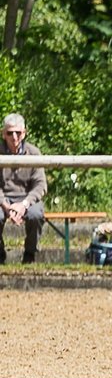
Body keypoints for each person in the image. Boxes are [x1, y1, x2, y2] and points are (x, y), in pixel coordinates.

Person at [1, 112, 47, 265]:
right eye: (10, 133)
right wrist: (6, 205)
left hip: (27, 199)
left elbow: (40, 185)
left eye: (18, 132)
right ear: (3, 134)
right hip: (3, 199)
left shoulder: (34, 153)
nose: (14, 137)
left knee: (36, 215)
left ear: (24, 133)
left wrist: (24, 204)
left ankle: (30, 254)